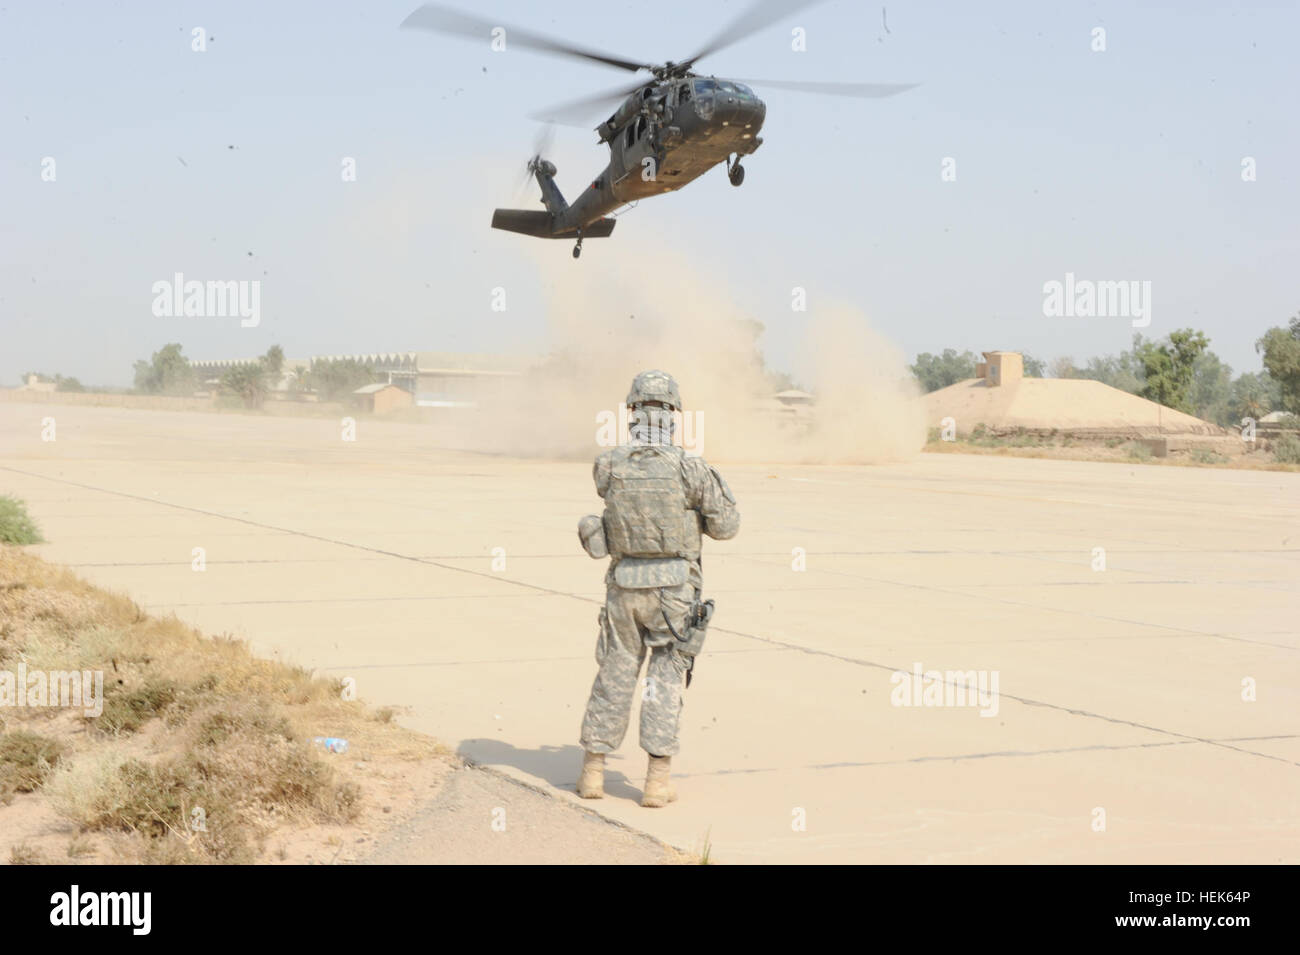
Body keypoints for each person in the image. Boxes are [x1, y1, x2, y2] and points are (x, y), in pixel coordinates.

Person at [575, 370, 740, 807]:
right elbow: (726, 528)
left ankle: (593, 772)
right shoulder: (690, 468)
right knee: (664, 679)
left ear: (631, 412)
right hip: (673, 593)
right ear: (673, 415)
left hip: (624, 586)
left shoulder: (608, 463)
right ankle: (655, 781)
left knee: (615, 672)